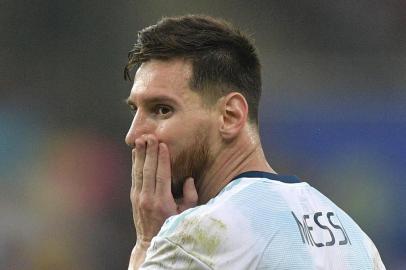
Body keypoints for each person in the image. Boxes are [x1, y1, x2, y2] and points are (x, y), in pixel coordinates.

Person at [123, 15, 385, 270]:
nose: (133, 135)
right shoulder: (356, 238)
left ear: (230, 116)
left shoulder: (200, 235)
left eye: (162, 110)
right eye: (135, 110)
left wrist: (149, 242)